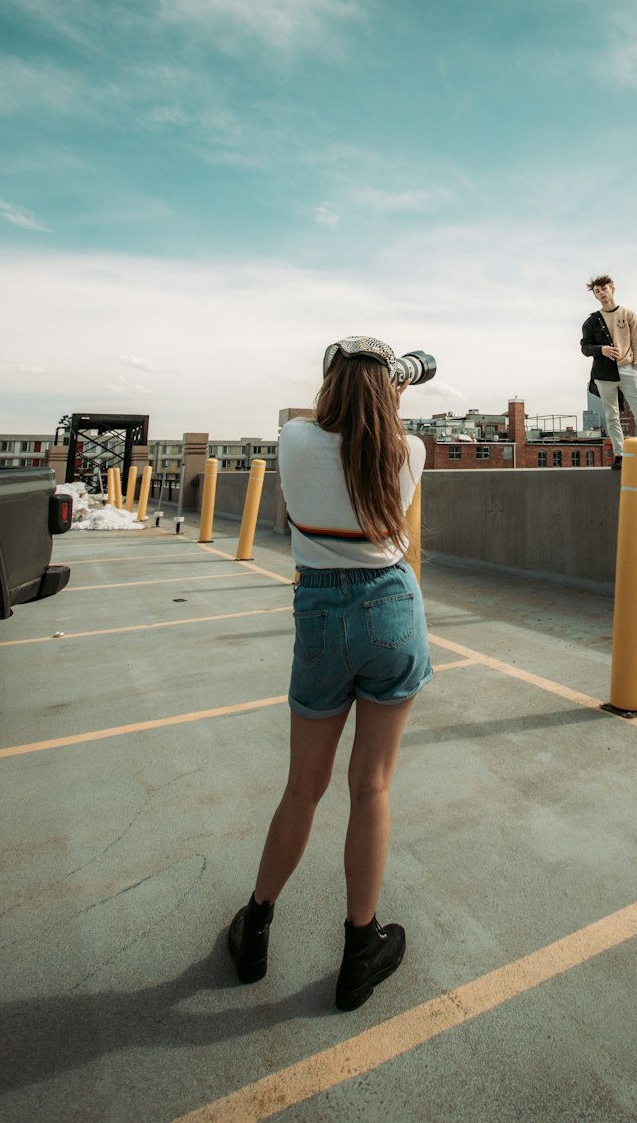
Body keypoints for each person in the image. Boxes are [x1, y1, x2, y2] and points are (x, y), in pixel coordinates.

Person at [226, 337, 431, 1011]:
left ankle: (255, 927)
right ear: (389, 390)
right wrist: (394, 391)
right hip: (391, 610)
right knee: (370, 787)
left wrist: (374, 386)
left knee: (302, 788)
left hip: (320, 609)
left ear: (328, 384)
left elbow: (326, 434)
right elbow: (377, 443)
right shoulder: (411, 452)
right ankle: (359, 951)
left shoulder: (293, 439)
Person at [580, 275, 637, 470]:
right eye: (597, 291)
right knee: (612, 416)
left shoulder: (628, 315)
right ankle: (620, 455)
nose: (601, 293)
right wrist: (601, 349)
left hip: (628, 369)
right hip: (603, 374)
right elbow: (585, 348)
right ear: (595, 295)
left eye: (604, 289)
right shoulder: (591, 322)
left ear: (612, 289)